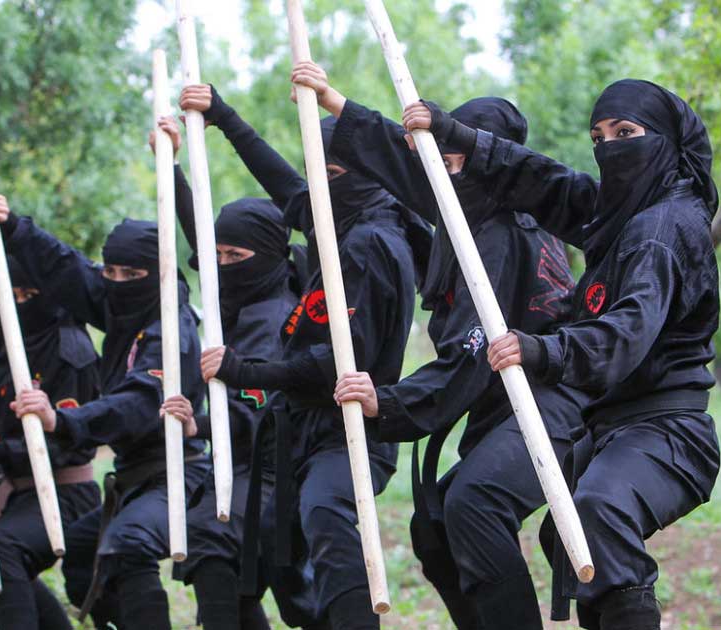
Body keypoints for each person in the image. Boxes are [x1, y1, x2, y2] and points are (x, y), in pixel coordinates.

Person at [289, 62, 588, 629]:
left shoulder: (500, 231)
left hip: (556, 404)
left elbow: (477, 349)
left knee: (472, 503)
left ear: (492, 161)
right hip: (508, 404)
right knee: (432, 528)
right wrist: (334, 101)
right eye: (439, 163)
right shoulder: (469, 206)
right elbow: (402, 168)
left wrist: (390, 400)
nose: (443, 175)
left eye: (455, 160)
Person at [417, 79, 720, 629]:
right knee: (559, 538)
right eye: (599, 137)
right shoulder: (620, 213)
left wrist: (541, 349)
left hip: (666, 430)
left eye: (626, 133)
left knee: (597, 510)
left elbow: (625, 335)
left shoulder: (662, 229)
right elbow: (546, 183)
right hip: (605, 426)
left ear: (669, 142)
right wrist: (455, 134)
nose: (610, 149)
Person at [194, 75, 432, 628]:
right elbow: (285, 187)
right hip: (303, 431)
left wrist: (244, 370)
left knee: (324, 514)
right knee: (284, 549)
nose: (317, 186)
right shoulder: (338, 222)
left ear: (368, 175)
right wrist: (225, 118)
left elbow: (338, 363)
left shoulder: (372, 242)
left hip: (349, 428)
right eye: (316, 171)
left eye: (333, 173)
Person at [0, 197, 209, 630]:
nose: (118, 282)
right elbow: (65, 267)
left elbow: (142, 403)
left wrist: (63, 421)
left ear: (156, 273)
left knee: (126, 544)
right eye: (111, 272)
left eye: (131, 274)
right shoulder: (120, 303)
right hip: (130, 477)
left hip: (178, 474)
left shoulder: (170, 329)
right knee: (83, 556)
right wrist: (13, 226)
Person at [150, 114, 304, 629]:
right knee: (224, 567)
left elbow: (258, 409)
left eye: (235, 255)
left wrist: (200, 424)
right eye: (216, 256)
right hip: (240, 468)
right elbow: (210, 248)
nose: (222, 265)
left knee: (213, 540)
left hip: (277, 470)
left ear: (265, 258)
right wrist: (170, 166)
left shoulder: (277, 316)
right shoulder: (239, 295)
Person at [0, 194, 102, 630]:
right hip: (19, 489)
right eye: (11, 294)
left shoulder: (69, 350)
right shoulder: (12, 335)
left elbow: (72, 443)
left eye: (29, 293)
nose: (19, 303)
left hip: (67, 493)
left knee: (1, 549)